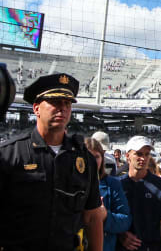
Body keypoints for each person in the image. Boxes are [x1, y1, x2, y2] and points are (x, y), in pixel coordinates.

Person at [0, 73, 104, 251]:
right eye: (55, 102)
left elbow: (92, 217)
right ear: (36, 108)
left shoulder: (84, 159)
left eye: (67, 103)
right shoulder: (10, 154)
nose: (62, 108)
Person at [119, 135, 161, 251]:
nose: (143, 158)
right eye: (139, 154)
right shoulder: (117, 185)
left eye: (147, 154)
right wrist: (121, 235)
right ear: (127, 156)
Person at [86, 137, 132, 251]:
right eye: (88, 156)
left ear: (102, 158)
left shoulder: (112, 184)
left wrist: (105, 216)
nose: (92, 160)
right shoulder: (69, 184)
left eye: (96, 156)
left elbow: (125, 220)